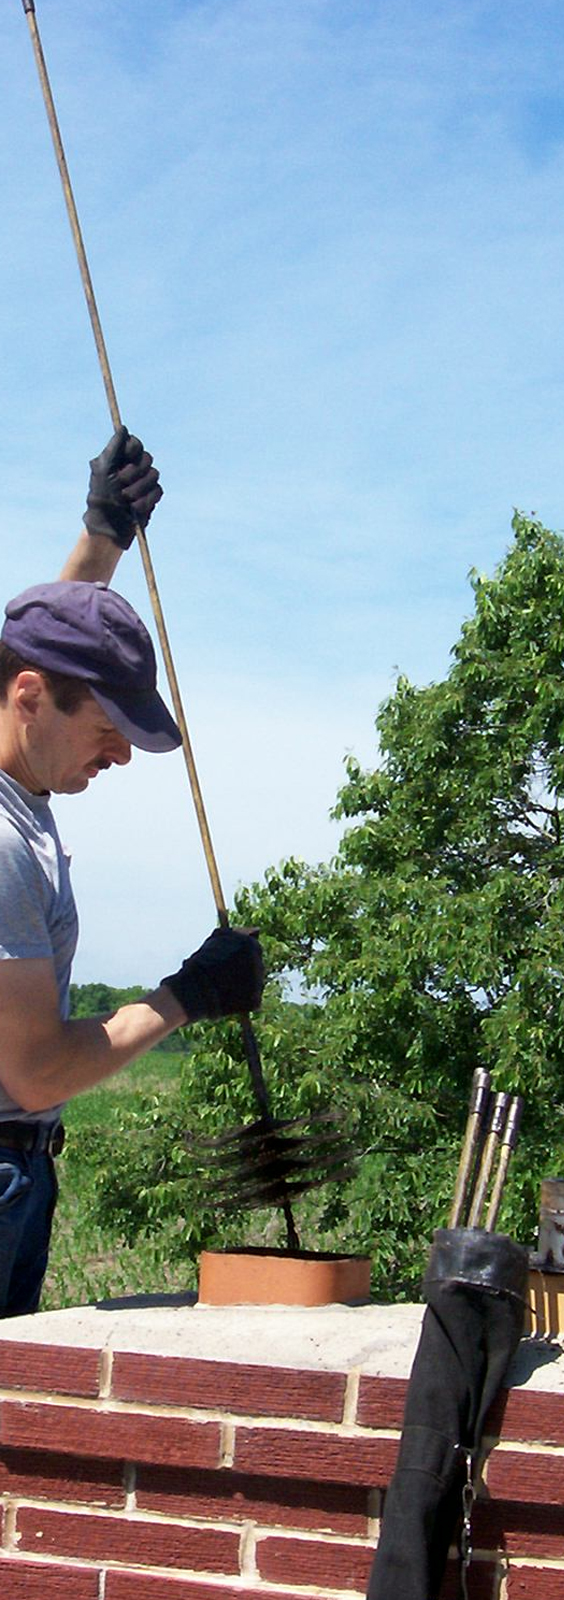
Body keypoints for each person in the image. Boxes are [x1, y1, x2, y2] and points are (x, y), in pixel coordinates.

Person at [0, 428, 264, 1316]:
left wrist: (103, 535)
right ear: (31, 699)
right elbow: (34, 1074)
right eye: (107, 727)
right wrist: (187, 995)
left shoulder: (19, 754)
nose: (120, 754)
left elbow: (40, 645)